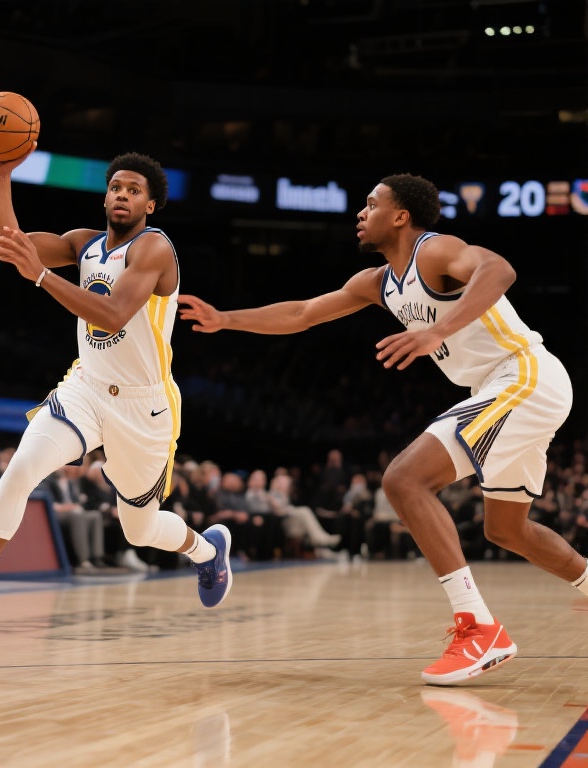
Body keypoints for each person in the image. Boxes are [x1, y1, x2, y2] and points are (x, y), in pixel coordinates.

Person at [179, 172, 587, 685]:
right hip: (502, 388)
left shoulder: (434, 251)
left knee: (404, 479)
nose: (361, 213)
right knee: (505, 529)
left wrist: (437, 330)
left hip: (524, 375)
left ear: (400, 216)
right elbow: (303, 313)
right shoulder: (377, 282)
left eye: (371, 204)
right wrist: (226, 319)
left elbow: (499, 269)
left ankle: (479, 627)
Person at [0, 148, 232, 639]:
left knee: (139, 530)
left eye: (134, 190)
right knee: (20, 470)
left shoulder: (154, 249)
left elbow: (113, 314)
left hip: (143, 406)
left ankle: (207, 552)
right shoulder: (84, 244)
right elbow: (9, 243)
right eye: (116, 187)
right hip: (86, 387)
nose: (122, 195)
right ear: (105, 196)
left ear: (150, 205)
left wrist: (41, 276)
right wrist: (1, 174)